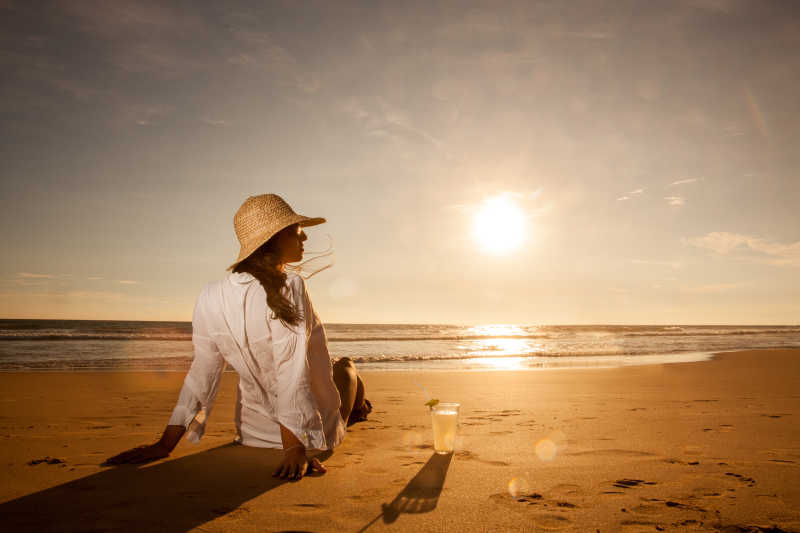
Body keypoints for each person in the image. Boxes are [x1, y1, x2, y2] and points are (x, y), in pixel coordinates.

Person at [105, 194, 371, 481]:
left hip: (253, 434)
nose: (304, 236)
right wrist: (295, 448)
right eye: (296, 230)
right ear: (274, 238)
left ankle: (358, 406)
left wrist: (165, 444)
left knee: (332, 369)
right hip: (305, 435)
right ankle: (357, 408)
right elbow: (290, 373)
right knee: (345, 367)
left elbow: (202, 375)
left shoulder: (211, 295)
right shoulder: (291, 285)